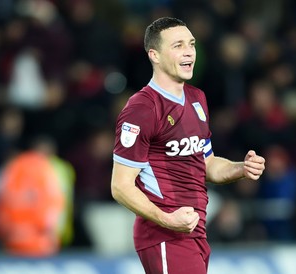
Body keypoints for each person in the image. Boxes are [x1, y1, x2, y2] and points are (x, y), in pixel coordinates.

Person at [110, 17, 265, 274]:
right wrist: (168, 219)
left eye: (191, 44)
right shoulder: (143, 108)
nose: (188, 52)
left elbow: (206, 163)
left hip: (194, 231)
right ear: (155, 55)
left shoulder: (197, 98)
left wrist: (241, 168)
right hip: (164, 234)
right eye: (178, 45)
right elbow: (120, 185)